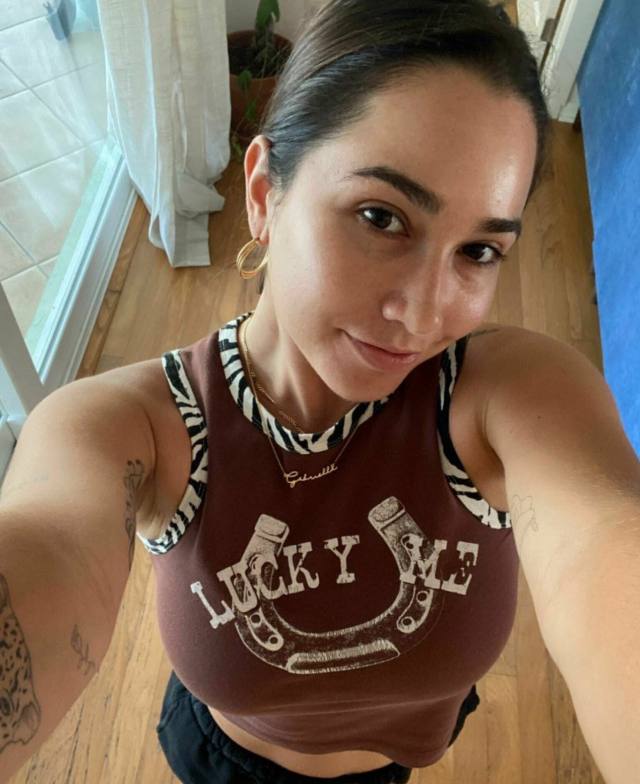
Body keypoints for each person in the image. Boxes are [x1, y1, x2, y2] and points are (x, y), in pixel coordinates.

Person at [1, 1, 638, 783]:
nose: (423, 315)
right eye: (381, 216)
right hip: (224, 761)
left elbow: (606, 536)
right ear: (264, 193)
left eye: (478, 250)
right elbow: (48, 547)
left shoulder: (511, 399)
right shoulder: (133, 427)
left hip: (398, 762)